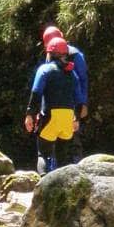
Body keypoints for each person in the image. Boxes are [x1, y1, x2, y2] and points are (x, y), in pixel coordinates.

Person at [25, 36, 87, 174]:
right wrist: (76, 118)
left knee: (43, 153)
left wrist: (30, 114)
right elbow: (79, 99)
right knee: (63, 156)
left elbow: (36, 93)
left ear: (49, 53)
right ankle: (61, 185)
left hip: (51, 116)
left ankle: (44, 182)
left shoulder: (45, 69)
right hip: (68, 118)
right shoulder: (72, 73)